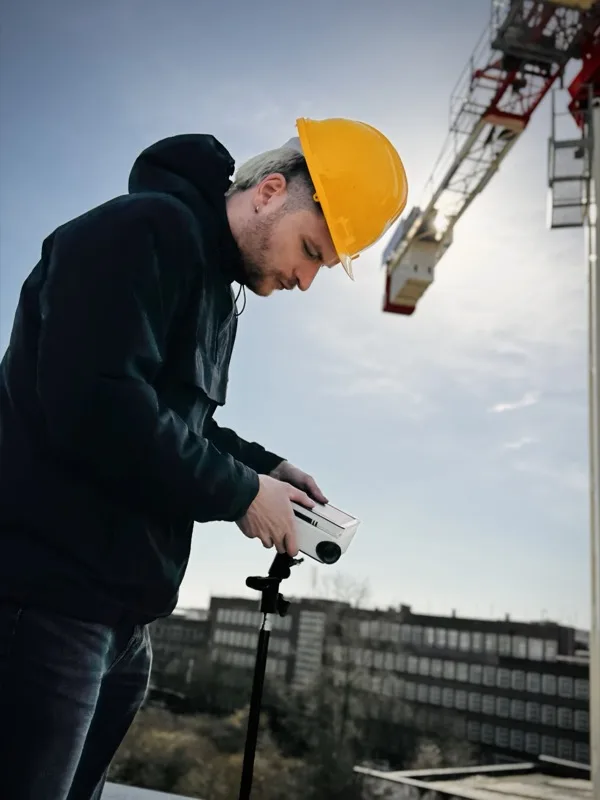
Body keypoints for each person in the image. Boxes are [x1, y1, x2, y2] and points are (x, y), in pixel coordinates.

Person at [0, 116, 407, 798]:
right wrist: (242, 495)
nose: (306, 281)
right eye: (310, 251)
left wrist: (265, 470)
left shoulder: (216, 290)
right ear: (270, 191)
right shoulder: (142, 230)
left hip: (122, 618)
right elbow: (98, 405)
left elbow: (180, 421)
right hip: (46, 601)